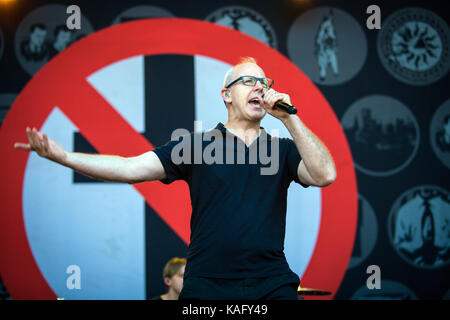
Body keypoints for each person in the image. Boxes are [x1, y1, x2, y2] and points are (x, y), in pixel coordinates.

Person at [14, 57, 336, 300]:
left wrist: (289, 118)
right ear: (226, 94)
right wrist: (64, 157)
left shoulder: (282, 149)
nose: (259, 87)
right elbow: (129, 169)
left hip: (272, 284)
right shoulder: (196, 145)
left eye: (264, 82)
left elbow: (325, 174)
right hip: (207, 286)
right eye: (248, 80)